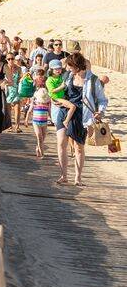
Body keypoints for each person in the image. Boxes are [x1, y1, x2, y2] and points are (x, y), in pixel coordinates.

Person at [58, 52, 110, 186]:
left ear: (77, 66)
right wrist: (58, 100)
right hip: (65, 110)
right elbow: (63, 91)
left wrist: (100, 112)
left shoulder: (93, 80)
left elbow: (103, 100)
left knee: (78, 147)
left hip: (82, 114)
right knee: (61, 143)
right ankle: (64, 175)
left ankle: (78, 177)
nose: (68, 69)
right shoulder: (69, 76)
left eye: (70, 66)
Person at [28, 68, 52, 159]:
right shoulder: (34, 83)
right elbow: (31, 93)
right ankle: (42, 153)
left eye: (42, 75)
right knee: (39, 136)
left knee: (43, 137)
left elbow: (48, 94)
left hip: (45, 108)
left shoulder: (46, 83)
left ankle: (39, 147)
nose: (40, 77)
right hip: (36, 107)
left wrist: (51, 116)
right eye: (39, 75)